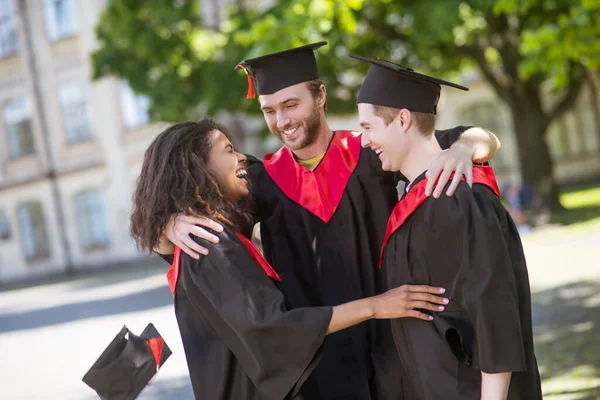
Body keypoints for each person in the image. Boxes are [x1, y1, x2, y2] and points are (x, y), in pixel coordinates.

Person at [157, 42, 501, 399]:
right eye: (269, 110)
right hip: (317, 363)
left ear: (320, 96)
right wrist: (170, 225)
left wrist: (462, 148)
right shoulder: (262, 179)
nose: (282, 121)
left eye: (291, 105)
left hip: (395, 343)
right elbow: (189, 208)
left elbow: (480, 137)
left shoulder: (370, 151)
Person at [129, 118, 451, 400]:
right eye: (228, 150)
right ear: (195, 167)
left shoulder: (213, 231)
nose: (241, 157)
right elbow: (272, 330)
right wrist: (376, 306)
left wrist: (465, 148)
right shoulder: (210, 243)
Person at [353, 54, 542, 399]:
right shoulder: (420, 195)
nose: (363, 141)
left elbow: (493, 313)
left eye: (368, 127)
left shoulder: (456, 198)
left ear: (404, 120)